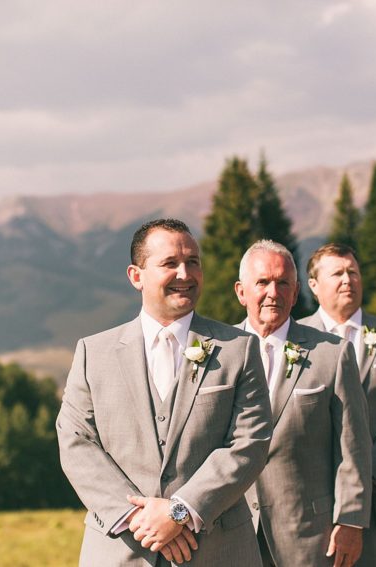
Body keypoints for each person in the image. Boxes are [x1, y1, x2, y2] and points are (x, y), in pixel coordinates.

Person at [56, 219, 273, 566]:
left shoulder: (239, 349)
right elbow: (75, 441)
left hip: (218, 550)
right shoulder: (92, 353)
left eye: (193, 262)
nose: (185, 274)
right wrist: (138, 521)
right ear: (136, 276)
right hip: (120, 548)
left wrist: (179, 511)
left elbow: (250, 443)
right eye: (170, 263)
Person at [235, 240, 371, 567]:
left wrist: (351, 520)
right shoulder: (218, 353)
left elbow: (352, 445)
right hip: (232, 532)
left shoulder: (332, 354)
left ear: (295, 293)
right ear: (241, 292)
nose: (273, 292)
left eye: (283, 283)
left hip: (309, 533)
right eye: (263, 282)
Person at [298, 243, 376, 567]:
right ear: (313, 285)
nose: (347, 280)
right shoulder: (296, 340)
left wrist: (367, 475)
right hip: (311, 496)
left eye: (353, 272)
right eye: (337, 273)